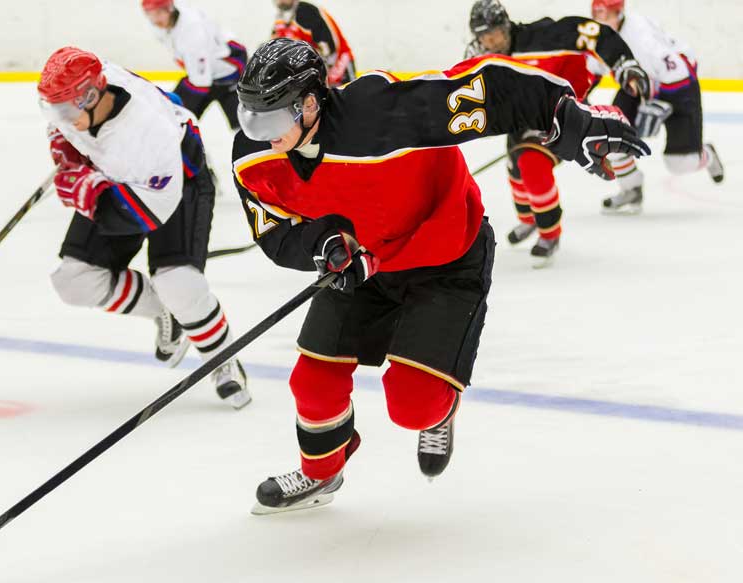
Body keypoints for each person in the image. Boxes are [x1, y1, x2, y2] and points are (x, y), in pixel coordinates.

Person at [232, 38, 649, 513]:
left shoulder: (383, 112)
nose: (262, 134)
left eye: (272, 119)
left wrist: (568, 118)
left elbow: (486, 87)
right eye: (252, 118)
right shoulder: (253, 156)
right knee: (312, 382)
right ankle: (321, 473)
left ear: (310, 104)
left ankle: (440, 408)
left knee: (414, 405)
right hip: (365, 264)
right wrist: (324, 244)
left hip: (446, 256)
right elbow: (274, 231)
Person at [39, 46, 251, 409]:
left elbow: (147, 214)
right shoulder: (90, 86)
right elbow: (63, 117)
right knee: (75, 281)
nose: (61, 119)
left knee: (177, 283)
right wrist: (62, 141)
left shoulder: (147, 136)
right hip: (118, 173)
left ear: (91, 97)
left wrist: (89, 193)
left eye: (66, 112)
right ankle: (165, 311)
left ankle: (221, 357)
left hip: (177, 183)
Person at [466, 0, 651, 265]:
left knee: (531, 164)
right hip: (523, 121)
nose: (489, 40)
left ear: (506, 26)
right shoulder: (481, 56)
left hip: (562, 115)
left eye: (494, 32)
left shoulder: (546, 37)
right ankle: (528, 219)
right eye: (483, 35)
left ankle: (549, 233)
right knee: (516, 170)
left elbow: (595, 33)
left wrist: (624, 65)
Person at [591, 0, 725, 214]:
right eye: (596, 14)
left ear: (619, 12)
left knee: (680, 163)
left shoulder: (642, 39)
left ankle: (706, 154)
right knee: (610, 138)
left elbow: (680, 72)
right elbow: (591, 70)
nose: (599, 21)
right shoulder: (598, 35)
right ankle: (631, 189)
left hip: (679, 88)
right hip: (637, 87)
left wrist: (655, 102)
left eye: (605, 15)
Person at [141, 0, 247, 131]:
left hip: (229, 69)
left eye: (158, 13)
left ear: (169, 9)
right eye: (149, 14)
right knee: (175, 117)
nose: (154, 20)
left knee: (177, 117)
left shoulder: (192, 31)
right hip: (210, 68)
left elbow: (201, 82)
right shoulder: (162, 21)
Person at [271, 0, 356, 86]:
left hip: (339, 66)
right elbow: (275, 45)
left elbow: (329, 47)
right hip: (317, 72)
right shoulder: (280, 16)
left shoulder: (307, 11)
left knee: (350, 92)